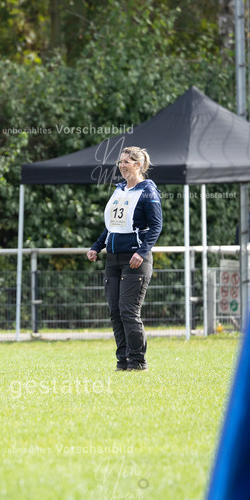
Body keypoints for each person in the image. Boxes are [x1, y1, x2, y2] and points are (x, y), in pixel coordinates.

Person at [86, 146, 163, 371]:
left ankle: (138, 361)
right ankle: (123, 361)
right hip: (113, 258)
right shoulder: (119, 189)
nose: (121, 165)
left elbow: (156, 225)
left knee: (128, 310)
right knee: (115, 311)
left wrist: (142, 251)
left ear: (138, 165)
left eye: (126, 162)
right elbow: (112, 225)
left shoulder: (148, 190)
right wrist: (96, 246)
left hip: (135, 258)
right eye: (120, 161)